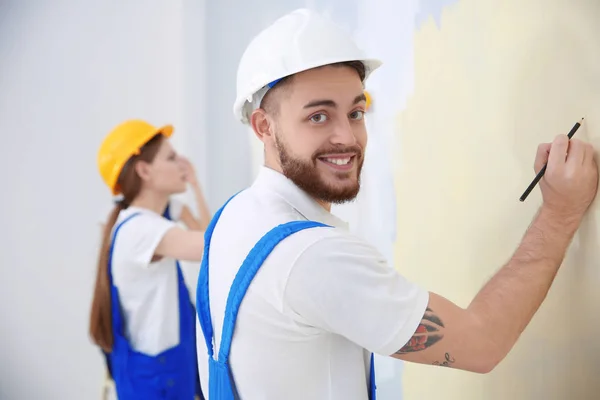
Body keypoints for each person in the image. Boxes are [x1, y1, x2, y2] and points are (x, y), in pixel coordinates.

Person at [194, 8, 599, 400]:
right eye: (318, 116)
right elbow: (481, 342)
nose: (347, 137)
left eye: (356, 111)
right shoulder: (313, 257)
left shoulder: (233, 217)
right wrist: (560, 212)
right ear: (264, 126)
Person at [90, 119, 209, 399]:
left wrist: (195, 184)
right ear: (144, 170)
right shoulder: (140, 230)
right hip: (154, 379)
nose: (182, 162)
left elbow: (205, 233)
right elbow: (213, 246)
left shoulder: (156, 217)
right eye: (171, 157)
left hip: (171, 366)